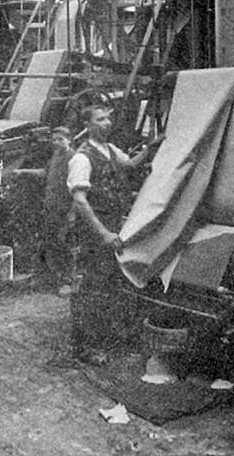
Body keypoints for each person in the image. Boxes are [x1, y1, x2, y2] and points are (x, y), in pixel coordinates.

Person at [66, 104, 162, 360]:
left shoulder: (109, 149)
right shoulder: (82, 158)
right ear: (87, 125)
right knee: (91, 287)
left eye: (108, 118)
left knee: (109, 284)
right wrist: (104, 234)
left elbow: (129, 164)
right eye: (100, 119)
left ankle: (105, 339)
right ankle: (85, 348)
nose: (107, 123)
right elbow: (80, 201)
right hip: (94, 230)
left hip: (111, 225)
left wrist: (150, 149)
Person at [10, 126, 76, 288]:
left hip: (65, 207)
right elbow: (44, 173)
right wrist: (22, 172)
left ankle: (67, 281)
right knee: (50, 241)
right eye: (54, 139)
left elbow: (77, 188)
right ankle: (49, 277)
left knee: (63, 244)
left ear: (69, 140)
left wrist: (72, 212)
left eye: (60, 139)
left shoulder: (73, 158)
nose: (56, 142)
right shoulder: (56, 155)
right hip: (51, 205)